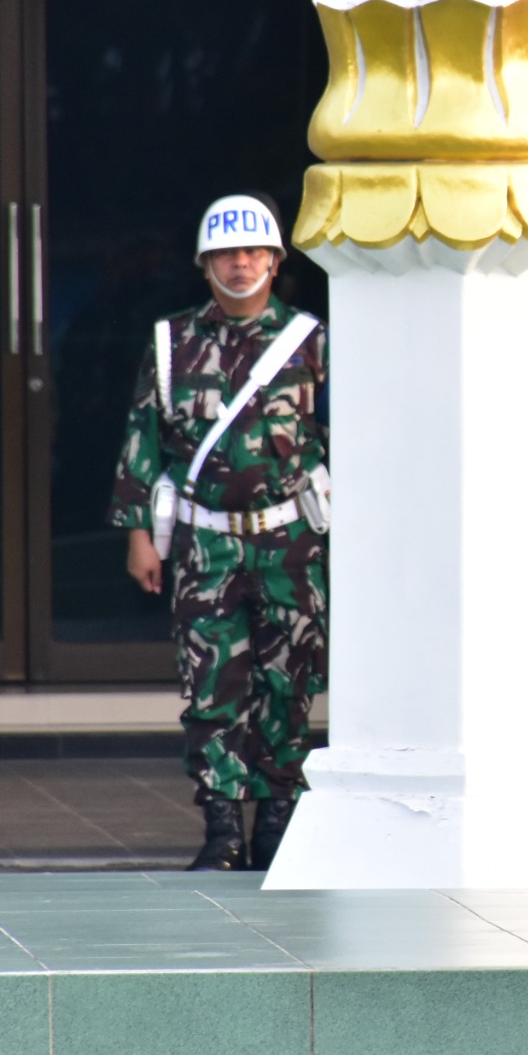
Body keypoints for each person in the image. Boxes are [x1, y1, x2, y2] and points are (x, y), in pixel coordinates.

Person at [110, 195, 329, 872]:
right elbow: (143, 438)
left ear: (274, 260)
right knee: (212, 687)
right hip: (206, 543)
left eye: (253, 252)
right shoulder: (170, 341)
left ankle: (278, 824)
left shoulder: (311, 339)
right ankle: (223, 827)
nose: (240, 264)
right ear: (204, 264)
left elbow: (343, 438)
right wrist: (139, 532)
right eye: (226, 254)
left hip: (290, 541)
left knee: (289, 684)